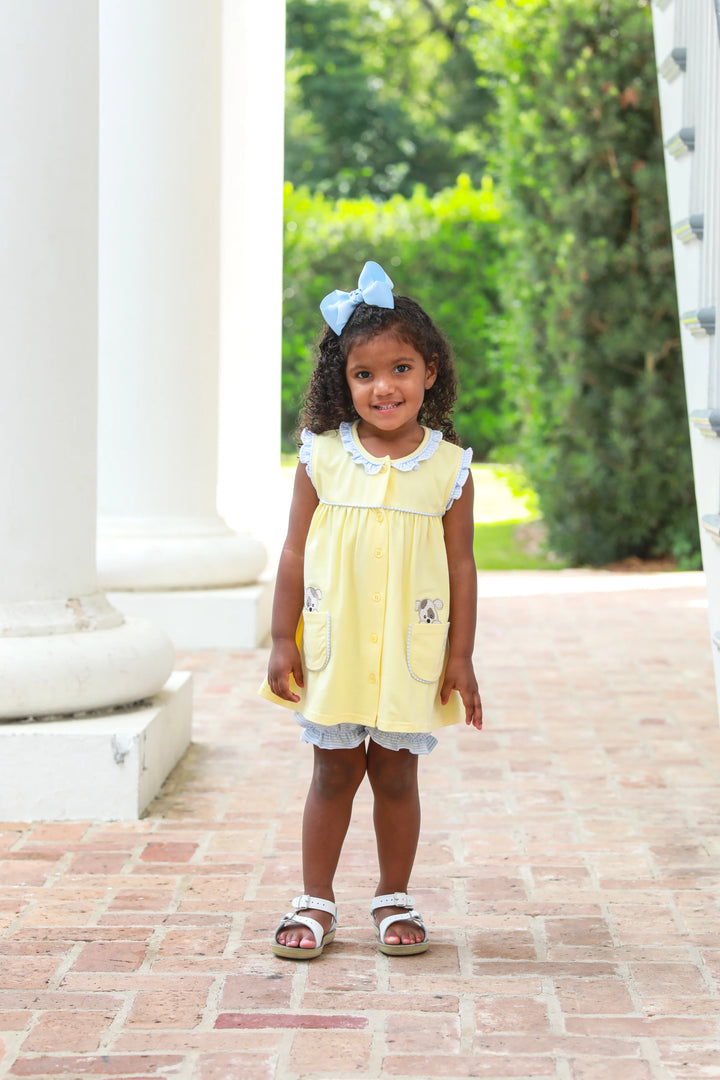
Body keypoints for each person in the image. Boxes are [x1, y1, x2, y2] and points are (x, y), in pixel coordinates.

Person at [259, 260, 482, 960]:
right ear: (343, 382)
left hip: (410, 649)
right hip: (337, 644)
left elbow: (462, 565)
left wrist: (461, 655)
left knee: (395, 772)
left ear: (431, 372)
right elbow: (294, 552)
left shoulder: (449, 468)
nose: (383, 387)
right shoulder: (321, 457)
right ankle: (314, 899)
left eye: (401, 368)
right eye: (365, 375)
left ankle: (393, 896)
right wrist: (281, 638)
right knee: (332, 772)